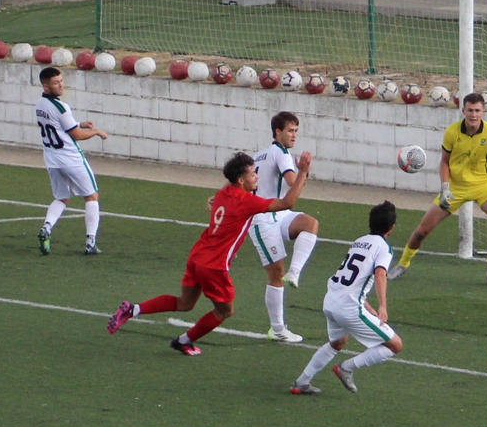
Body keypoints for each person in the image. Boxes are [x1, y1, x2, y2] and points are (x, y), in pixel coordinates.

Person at [106, 151, 313, 356]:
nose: (257, 176)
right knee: (225, 310)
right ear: (240, 180)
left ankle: (133, 309)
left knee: (185, 303)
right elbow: (287, 203)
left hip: (198, 255)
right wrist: (302, 172)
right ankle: (184, 341)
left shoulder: (223, 194)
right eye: (252, 174)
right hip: (214, 265)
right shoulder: (246, 201)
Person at [387, 92, 487, 287]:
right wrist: (445, 188)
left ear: (483, 112)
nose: (473, 115)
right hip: (455, 188)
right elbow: (444, 162)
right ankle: (402, 264)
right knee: (423, 230)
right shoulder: (452, 132)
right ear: (463, 111)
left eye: (477, 111)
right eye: (470, 110)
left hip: (482, 186)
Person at [290, 201, 402, 395]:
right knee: (395, 345)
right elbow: (380, 274)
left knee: (337, 342)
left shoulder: (359, 241)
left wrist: (367, 306)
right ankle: (347, 368)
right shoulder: (384, 247)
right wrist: (383, 306)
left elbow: (353, 280)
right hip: (348, 308)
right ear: (391, 228)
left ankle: (302, 382)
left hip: (331, 301)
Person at [249, 111, 321, 343]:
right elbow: (293, 184)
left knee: (310, 223)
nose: (294, 135)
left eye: (296, 131)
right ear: (277, 132)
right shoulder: (281, 153)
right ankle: (277, 329)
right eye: (290, 130)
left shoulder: (259, 155)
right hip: (262, 219)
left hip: (279, 214)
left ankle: (295, 272)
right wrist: (303, 171)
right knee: (275, 273)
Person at [34, 67, 108, 255]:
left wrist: (80, 124)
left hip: (52, 160)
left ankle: (46, 227)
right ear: (46, 86)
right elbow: (76, 135)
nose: (61, 85)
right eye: (56, 83)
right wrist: (95, 132)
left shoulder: (40, 105)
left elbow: (58, 126)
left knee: (62, 198)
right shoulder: (61, 107)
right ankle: (90, 242)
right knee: (91, 196)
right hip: (71, 159)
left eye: (61, 81)